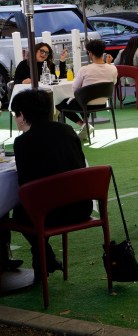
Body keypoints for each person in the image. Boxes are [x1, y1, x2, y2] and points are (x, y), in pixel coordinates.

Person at [2, 89, 88, 276]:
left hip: (50, 214)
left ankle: (43, 257)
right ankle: (44, 259)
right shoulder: (67, 130)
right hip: (81, 207)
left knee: (17, 212)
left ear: (22, 115)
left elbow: (25, 187)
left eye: (16, 114)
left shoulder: (23, 142)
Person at [56, 39, 118, 141]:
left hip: (85, 103)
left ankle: (83, 125)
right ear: (103, 52)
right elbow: (113, 83)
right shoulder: (113, 68)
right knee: (83, 98)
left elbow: (75, 88)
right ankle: (85, 125)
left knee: (60, 104)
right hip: (103, 102)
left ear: (90, 53)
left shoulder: (85, 69)